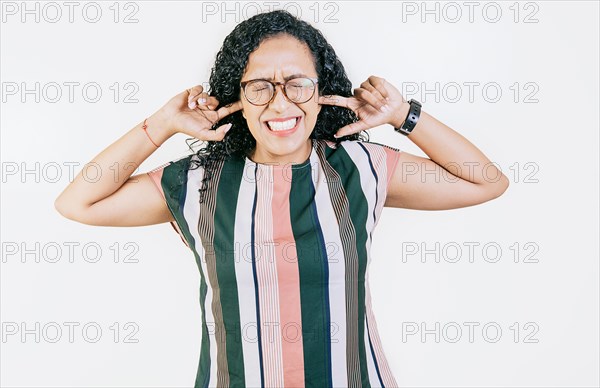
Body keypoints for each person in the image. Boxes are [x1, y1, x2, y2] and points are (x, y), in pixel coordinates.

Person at [54, 9, 509, 388]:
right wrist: (161, 124)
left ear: (321, 91)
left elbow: (485, 181)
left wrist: (403, 116)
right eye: (260, 86)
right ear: (239, 96)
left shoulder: (362, 167)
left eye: (298, 83)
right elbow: (79, 203)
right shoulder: (196, 182)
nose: (280, 103)